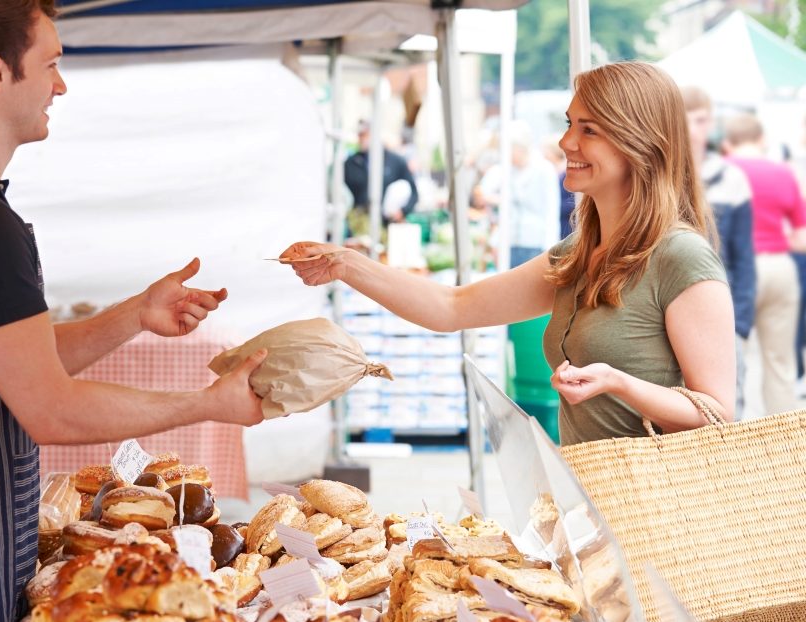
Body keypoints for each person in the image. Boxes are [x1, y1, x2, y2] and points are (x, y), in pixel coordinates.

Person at [0, 1, 267, 622]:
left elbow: (14, 361)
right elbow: (50, 406)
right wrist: (207, 403)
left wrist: (135, 314)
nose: (60, 84)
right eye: (50, 64)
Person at [282, 61, 735, 445]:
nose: (566, 143)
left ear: (640, 142)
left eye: (589, 129)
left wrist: (619, 384)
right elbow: (452, 307)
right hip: (592, 502)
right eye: (569, 123)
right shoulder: (577, 254)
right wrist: (344, 263)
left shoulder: (680, 256)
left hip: (658, 518)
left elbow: (718, 414)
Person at [722, 112, 806, 415]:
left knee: (728, 361)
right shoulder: (784, 173)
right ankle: (782, 445)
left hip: (734, 272)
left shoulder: (723, 171)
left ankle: (730, 441)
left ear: (728, 144)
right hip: (780, 268)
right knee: (780, 363)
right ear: (762, 139)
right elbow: (801, 236)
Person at [680, 87, 755, 419]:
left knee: (724, 411)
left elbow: (743, 253)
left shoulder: (732, 178)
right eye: (696, 119)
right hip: (674, 309)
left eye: (707, 120)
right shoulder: (662, 177)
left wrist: (740, 322)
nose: (704, 128)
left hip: (722, 309)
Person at [478, 121, 561, 267]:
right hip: (508, 242)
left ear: (520, 148)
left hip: (535, 243)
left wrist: (550, 248)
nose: (506, 154)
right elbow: (484, 191)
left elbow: (551, 211)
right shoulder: (503, 170)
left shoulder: (544, 169)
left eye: (509, 149)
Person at [344, 120, 418, 225]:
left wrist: (402, 211)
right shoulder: (351, 163)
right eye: (359, 135)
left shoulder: (396, 161)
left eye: (365, 135)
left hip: (387, 224)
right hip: (359, 223)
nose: (361, 139)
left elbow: (413, 192)